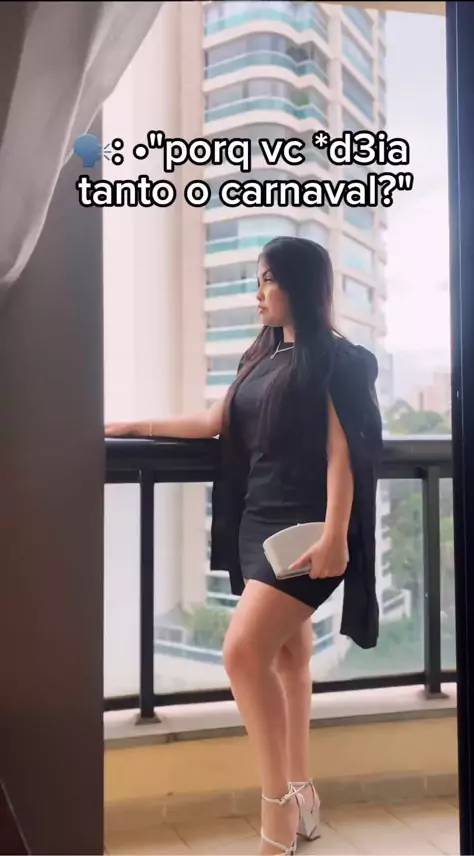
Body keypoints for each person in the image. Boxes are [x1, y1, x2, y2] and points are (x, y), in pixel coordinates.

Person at [106, 236, 383, 855]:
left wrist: (336, 536)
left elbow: (344, 456)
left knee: (240, 653)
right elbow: (214, 423)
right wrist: (130, 425)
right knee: (288, 656)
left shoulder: (338, 358)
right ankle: (303, 793)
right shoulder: (260, 356)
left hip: (308, 531)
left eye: (267, 280)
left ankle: (276, 810)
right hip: (258, 522)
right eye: (257, 280)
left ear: (300, 286)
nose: (257, 293)